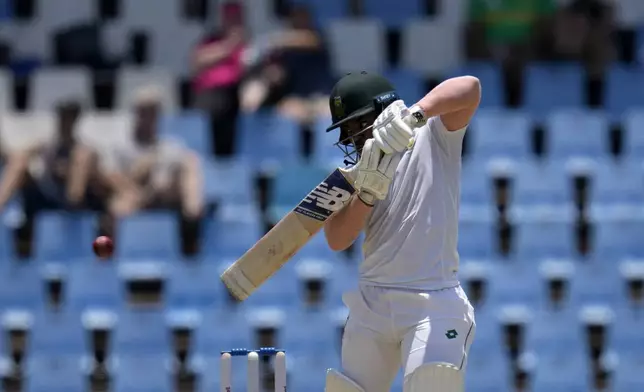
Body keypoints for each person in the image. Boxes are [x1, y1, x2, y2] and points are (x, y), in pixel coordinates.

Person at [322, 71, 481, 392]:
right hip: (372, 305)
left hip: (433, 301)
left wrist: (415, 115)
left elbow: (470, 88)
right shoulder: (353, 176)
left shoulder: (434, 135)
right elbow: (337, 240)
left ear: (381, 110)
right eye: (347, 129)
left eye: (356, 124)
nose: (352, 137)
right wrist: (367, 194)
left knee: (433, 384)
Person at [191, 1, 246, 157]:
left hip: (238, 99)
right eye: (230, 18)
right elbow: (197, 61)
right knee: (216, 102)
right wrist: (229, 46)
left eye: (237, 18)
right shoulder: (211, 41)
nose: (233, 21)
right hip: (213, 99)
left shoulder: (248, 44)